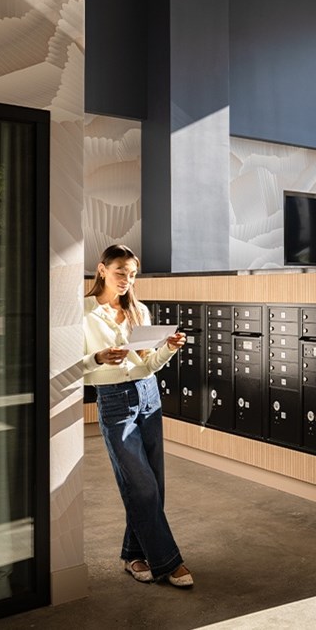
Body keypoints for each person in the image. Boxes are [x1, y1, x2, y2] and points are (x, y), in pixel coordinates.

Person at [82, 244, 193, 587]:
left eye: (132, 275)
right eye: (120, 273)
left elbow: (146, 365)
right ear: (102, 269)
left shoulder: (139, 311)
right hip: (114, 401)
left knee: (152, 485)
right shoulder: (82, 313)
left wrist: (168, 350)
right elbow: (70, 369)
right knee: (141, 486)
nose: (127, 281)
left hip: (148, 396)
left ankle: (133, 554)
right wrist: (98, 359)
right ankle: (168, 562)